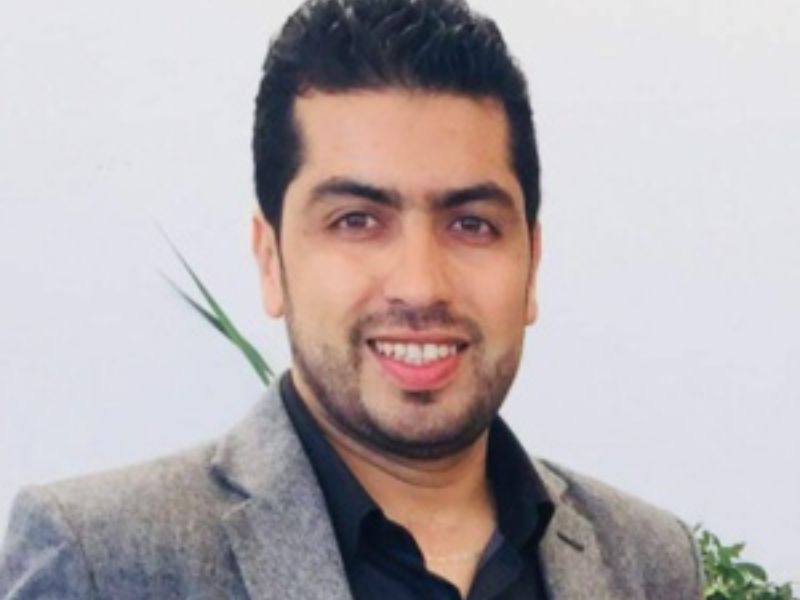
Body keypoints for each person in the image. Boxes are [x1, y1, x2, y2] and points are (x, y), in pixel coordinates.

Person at [0, 0, 703, 598]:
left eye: (471, 224)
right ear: (271, 260)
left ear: (532, 264)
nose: (421, 285)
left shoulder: (649, 561)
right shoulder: (100, 562)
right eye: (357, 221)